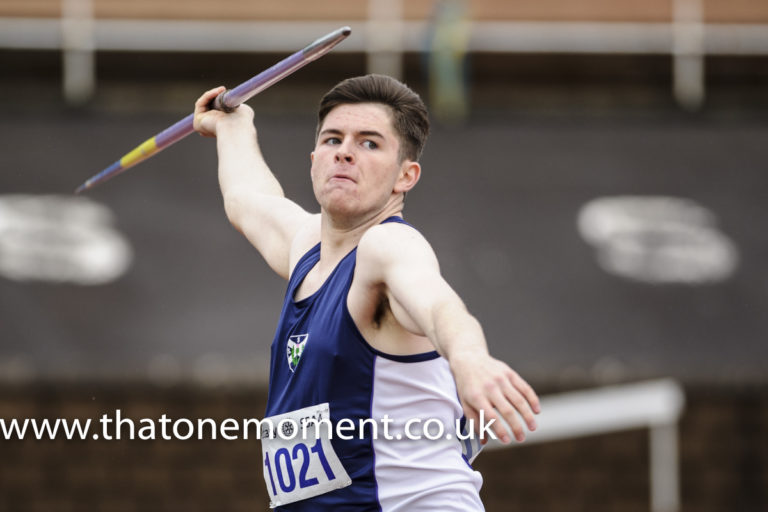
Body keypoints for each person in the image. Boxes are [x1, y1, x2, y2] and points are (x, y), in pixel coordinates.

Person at [193, 74, 540, 511]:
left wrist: (470, 360)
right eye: (333, 139)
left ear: (405, 176)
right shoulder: (308, 251)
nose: (345, 151)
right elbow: (246, 198)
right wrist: (233, 125)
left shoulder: (388, 247)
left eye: (369, 143)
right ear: (314, 158)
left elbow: (437, 304)